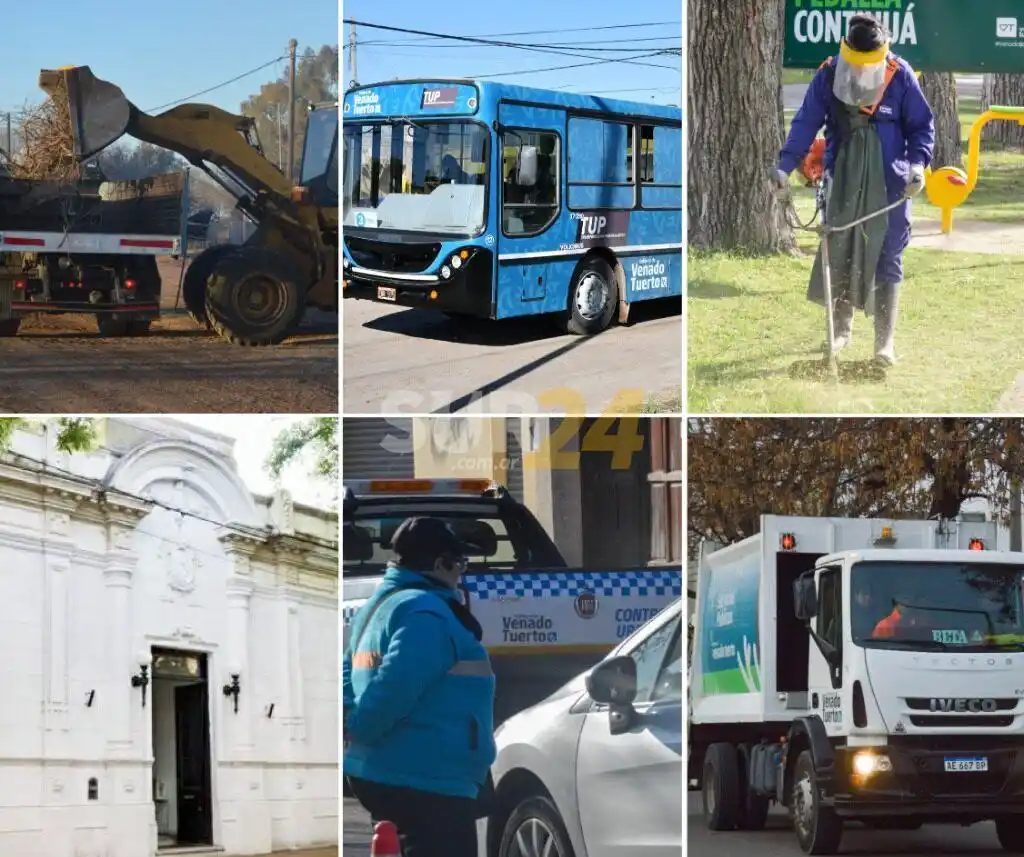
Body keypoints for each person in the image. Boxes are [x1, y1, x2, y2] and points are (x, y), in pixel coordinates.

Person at [771, 14, 936, 367]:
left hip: (891, 183)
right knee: (840, 248)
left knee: (889, 252)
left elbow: (921, 127)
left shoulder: (900, 74)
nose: (861, 73)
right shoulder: (829, 74)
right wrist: (785, 166)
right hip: (842, 178)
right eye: (856, 65)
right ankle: (839, 332)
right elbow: (805, 122)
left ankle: (884, 344)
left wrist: (919, 166)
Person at [343, 516, 496, 857]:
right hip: (426, 777)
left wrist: (351, 724)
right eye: (461, 564)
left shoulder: (378, 606)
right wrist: (360, 726)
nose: (461, 574)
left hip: (384, 768)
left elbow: (347, 671)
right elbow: (396, 687)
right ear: (440, 564)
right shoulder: (426, 612)